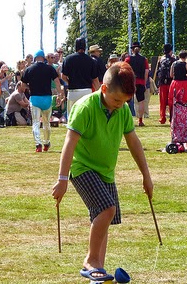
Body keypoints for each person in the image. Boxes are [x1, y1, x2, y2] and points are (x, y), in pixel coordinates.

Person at [51, 62, 153, 283]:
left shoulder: (122, 110)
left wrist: (146, 176)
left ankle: (97, 273)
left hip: (106, 172)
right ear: (104, 90)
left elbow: (134, 142)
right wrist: (62, 180)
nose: (119, 106)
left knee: (104, 219)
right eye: (116, 100)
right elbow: (69, 143)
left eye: (124, 102)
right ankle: (91, 262)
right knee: (107, 209)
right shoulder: (85, 107)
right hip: (82, 168)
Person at [22, 50, 63, 152]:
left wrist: (30, 86)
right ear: (43, 58)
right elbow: (57, 82)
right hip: (47, 99)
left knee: (35, 123)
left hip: (35, 98)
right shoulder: (49, 68)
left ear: (35, 58)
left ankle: (38, 144)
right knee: (46, 123)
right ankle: (47, 142)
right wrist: (59, 94)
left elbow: (22, 86)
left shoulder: (29, 69)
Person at [61, 38, 100, 115]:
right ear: (85, 47)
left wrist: (70, 82)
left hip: (73, 91)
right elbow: (95, 80)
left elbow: (63, 76)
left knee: (72, 116)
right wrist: (99, 93)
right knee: (86, 115)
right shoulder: (91, 60)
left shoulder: (68, 59)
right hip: (87, 91)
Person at [125, 41, 149, 127]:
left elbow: (124, 70)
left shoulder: (128, 59)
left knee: (127, 101)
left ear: (132, 50)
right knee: (141, 101)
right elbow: (146, 72)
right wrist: (145, 83)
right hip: (141, 82)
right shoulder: (144, 59)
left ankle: (126, 119)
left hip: (131, 81)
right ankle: (140, 120)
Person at [154, 44, 176, 125]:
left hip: (162, 82)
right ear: (170, 50)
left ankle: (162, 118)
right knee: (171, 101)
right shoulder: (173, 60)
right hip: (171, 82)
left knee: (162, 101)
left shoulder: (161, 59)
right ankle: (171, 118)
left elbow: (157, 72)